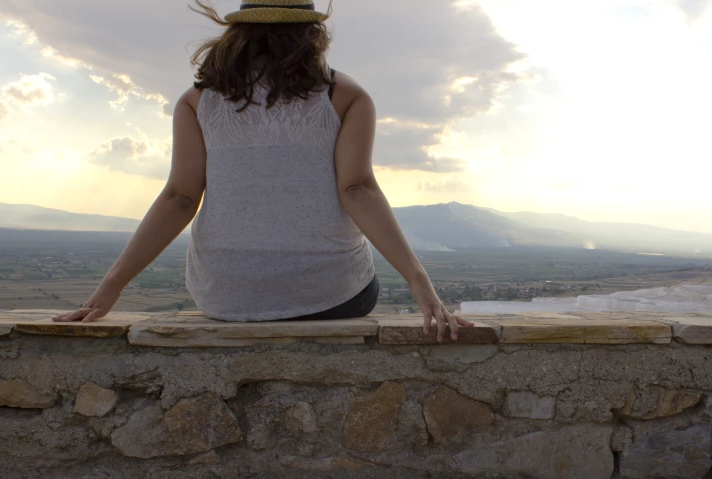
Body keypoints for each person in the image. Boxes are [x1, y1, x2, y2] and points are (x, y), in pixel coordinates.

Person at [53, 0, 473, 342]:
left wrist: (112, 285)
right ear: (312, 34)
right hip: (334, 296)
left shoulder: (197, 100)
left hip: (225, 298)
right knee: (358, 275)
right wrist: (420, 281)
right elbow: (357, 189)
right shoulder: (345, 95)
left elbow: (180, 198)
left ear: (238, 34)